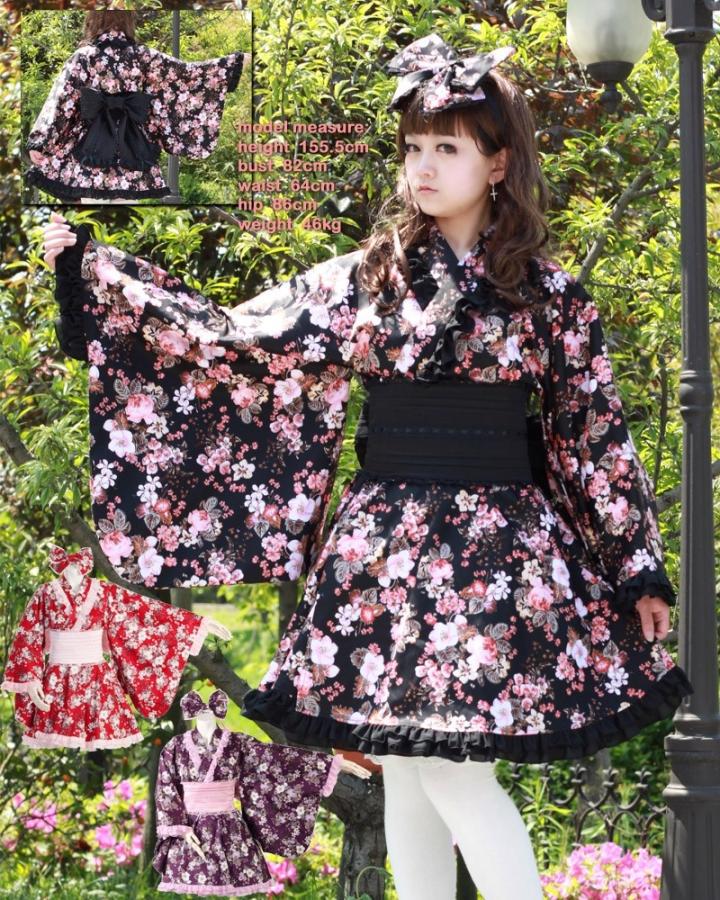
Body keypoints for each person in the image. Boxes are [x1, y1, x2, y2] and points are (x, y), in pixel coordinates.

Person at [42, 31, 692, 900]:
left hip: (496, 553)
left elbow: (592, 433)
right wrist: (96, 274)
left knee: (455, 773)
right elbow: (238, 342)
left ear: (498, 163)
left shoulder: (550, 296)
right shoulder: (366, 279)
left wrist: (635, 565)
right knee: (407, 766)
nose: (423, 167)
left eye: (447, 148)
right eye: (414, 147)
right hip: (383, 549)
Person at [26, 9, 249, 202]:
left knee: (92, 209)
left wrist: (41, 140)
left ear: (93, 20)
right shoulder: (143, 56)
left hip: (89, 151)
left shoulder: (84, 57)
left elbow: (61, 101)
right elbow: (187, 74)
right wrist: (234, 63)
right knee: (124, 207)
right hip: (132, 149)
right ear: (128, 21)